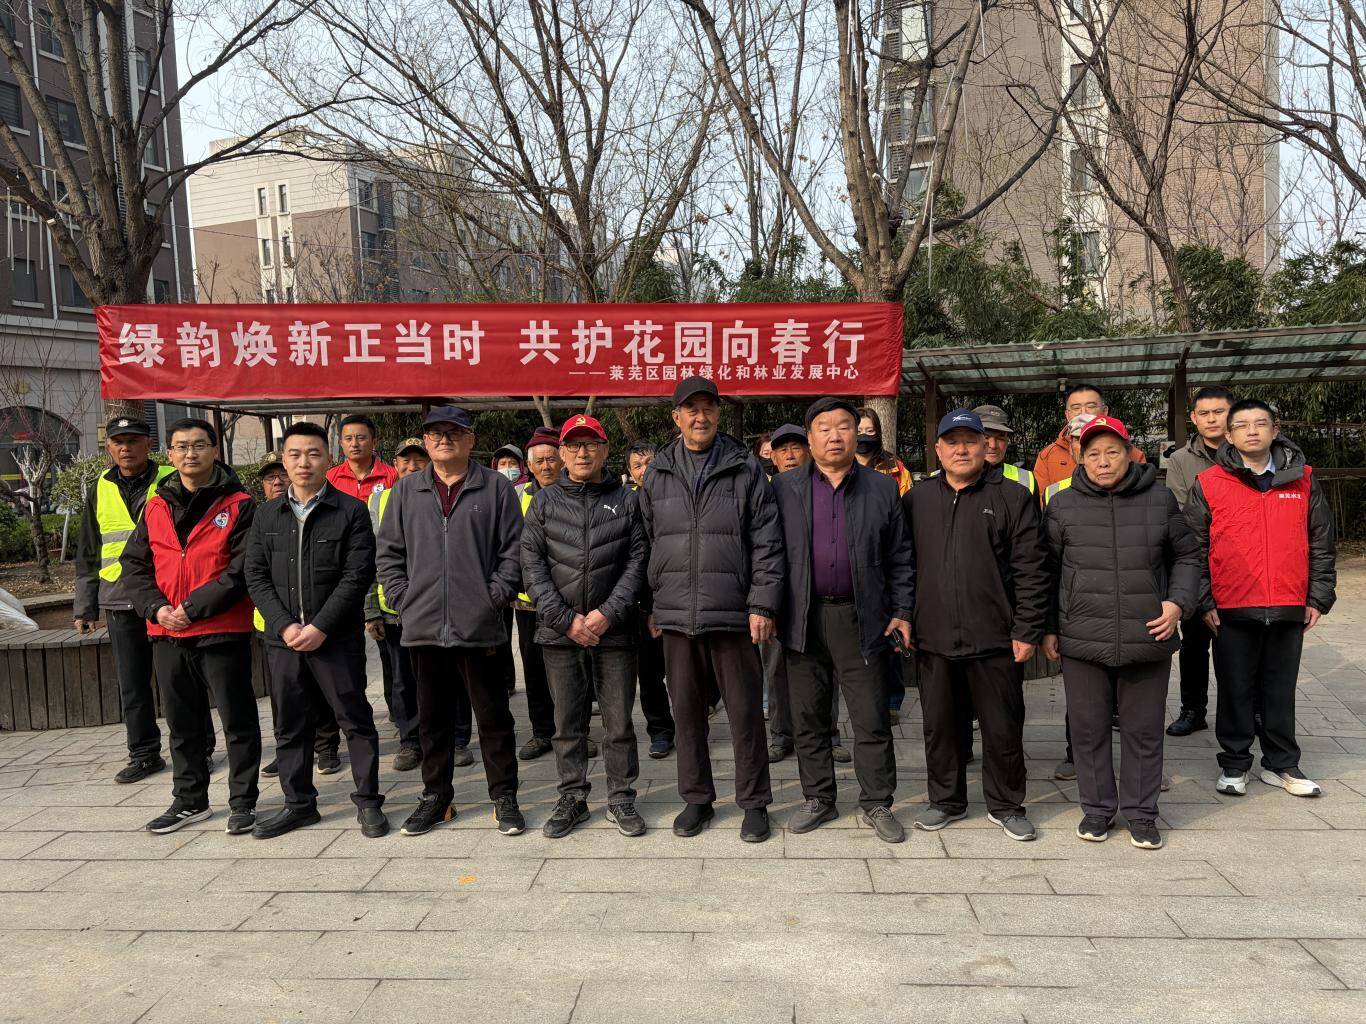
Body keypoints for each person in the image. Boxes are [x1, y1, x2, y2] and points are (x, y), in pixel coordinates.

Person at [1043, 415, 1201, 850]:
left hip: (1147, 634)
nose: (1103, 461)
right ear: (1080, 458)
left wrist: (1178, 602)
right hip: (1082, 636)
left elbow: (1188, 556)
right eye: (1093, 453)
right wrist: (1049, 628)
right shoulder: (1062, 505)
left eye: (1112, 452)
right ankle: (1097, 809)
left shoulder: (1160, 499)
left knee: (1143, 730)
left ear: (1130, 453)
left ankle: (1142, 813)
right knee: (1088, 730)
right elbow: (1048, 571)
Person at [638, 376, 784, 842]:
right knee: (686, 713)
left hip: (734, 613)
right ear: (676, 417)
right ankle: (696, 798)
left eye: (708, 408)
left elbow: (767, 542)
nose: (700, 417)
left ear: (718, 414)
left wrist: (762, 603)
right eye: (691, 409)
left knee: (744, 714)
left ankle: (754, 802)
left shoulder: (744, 468)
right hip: (676, 614)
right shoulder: (658, 472)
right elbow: (647, 542)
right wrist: (652, 602)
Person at [375, 406, 526, 836]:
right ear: (425, 442)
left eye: (454, 432)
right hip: (422, 626)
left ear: (470, 439)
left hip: (480, 625)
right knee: (432, 718)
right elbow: (389, 554)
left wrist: (491, 598)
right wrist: (405, 601)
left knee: (493, 716)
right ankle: (437, 797)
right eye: (436, 433)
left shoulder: (495, 487)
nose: (444, 439)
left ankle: (504, 796)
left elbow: (513, 552)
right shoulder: (406, 491)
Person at [774, 398, 915, 843]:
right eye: (824, 427)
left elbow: (901, 556)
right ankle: (819, 796)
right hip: (802, 616)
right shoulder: (784, 488)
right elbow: (767, 553)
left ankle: (877, 801)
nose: (834, 435)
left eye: (843, 426)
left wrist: (902, 611)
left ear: (858, 434)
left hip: (863, 617)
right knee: (809, 716)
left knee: (870, 715)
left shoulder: (882, 488)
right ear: (809, 438)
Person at [906, 409, 1049, 842]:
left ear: (985, 446)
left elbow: (1032, 569)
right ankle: (945, 801)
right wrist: (904, 617)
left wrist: (1027, 629)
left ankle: (1006, 805)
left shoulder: (1012, 497)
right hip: (933, 637)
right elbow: (902, 566)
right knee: (940, 727)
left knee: (1002, 727)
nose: (962, 450)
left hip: (996, 639)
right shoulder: (917, 499)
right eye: (952, 442)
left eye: (970, 441)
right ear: (938, 449)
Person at [1186, 400, 1336, 799]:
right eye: (1242, 425)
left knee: (1280, 689)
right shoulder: (1209, 483)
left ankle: (1281, 763)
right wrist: (1204, 601)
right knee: (1235, 688)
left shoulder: (1304, 479)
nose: (1252, 431)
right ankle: (1234, 764)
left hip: (1288, 602)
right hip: (1231, 606)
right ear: (1229, 435)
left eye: (1260, 423)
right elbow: (1192, 549)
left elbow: (1322, 542)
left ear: (1275, 430)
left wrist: (1318, 596)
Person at [245, 422, 387, 839]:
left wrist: (321, 626)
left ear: (329, 459)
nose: (303, 462)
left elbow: (357, 574)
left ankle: (368, 800)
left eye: (313, 453)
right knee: (290, 724)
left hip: (336, 640)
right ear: (284, 460)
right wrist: (285, 625)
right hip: (284, 641)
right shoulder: (266, 514)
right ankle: (299, 804)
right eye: (294, 454)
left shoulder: (350, 511)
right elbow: (256, 575)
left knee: (354, 719)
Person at [120, 418, 261, 835]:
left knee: (237, 721)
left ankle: (243, 802)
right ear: (170, 454)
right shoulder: (156, 505)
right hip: (167, 632)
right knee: (182, 725)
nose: (190, 453)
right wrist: (156, 609)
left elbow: (242, 570)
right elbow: (134, 565)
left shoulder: (239, 504)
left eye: (199, 445)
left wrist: (193, 607)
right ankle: (189, 801)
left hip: (221, 630)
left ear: (215, 450)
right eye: (181, 446)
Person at [521, 414, 649, 838]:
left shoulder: (627, 500)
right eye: (573, 445)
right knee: (567, 725)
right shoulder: (544, 502)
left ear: (605, 450)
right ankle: (572, 796)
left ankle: (621, 797)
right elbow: (531, 566)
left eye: (590, 444)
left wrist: (607, 613)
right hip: (560, 634)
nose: (582, 452)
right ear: (561, 453)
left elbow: (638, 562)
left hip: (615, 631)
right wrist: (566, 620)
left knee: (619, 723)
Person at [74, 415, 212, 784]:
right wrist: (85, 605)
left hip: (169, 596)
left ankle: (200, 747)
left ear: (148, 444)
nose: (126, 448)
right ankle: (144, 754)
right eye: (118, 442)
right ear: (108, 447)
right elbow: (88, 550)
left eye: (133, 440)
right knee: (132, 683)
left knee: (184, 679)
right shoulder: (100, 487)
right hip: (120, 598)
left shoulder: (172, 476)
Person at [365, 439, 473, 773]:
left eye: (418, 460)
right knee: (403, 681)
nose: (412, 467)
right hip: (398, 611)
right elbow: (372, 557)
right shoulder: (381, 499)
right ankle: (410, 741)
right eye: (405, 461)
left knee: (454, 677)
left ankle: (457, 739)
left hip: (446, 610)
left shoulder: (445, 494)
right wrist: (374, 609)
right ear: (394, 464)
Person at [762, 423, 846, 765]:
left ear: (809, 450)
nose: (790, 455)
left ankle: (829, 734)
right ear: (773, 457)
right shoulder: (767, 492)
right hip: (779, 597)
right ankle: (781, 735)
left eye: (796, 447)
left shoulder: (824, 488)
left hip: (822, 598)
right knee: (776, 669)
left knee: (827, 669)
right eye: (782, 450)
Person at [323, 414, 396, 774]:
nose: (355, 443)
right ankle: (332, 739)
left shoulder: (392, 477)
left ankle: (401, 723)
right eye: (348, 438)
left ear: (374, 440)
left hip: (382, 578)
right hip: (338, 583)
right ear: (340, 443)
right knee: (342, 668)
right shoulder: (329, 479)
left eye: (361, 437)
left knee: (390, 659)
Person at [1162, 385, 1234, 738]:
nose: (1211, 419)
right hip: (1197, 563)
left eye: (1219, 412)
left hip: (1240, 567)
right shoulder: (1180, 460)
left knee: (1237, 645)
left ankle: (1244, 711)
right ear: (1192, 417)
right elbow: (1182, 513)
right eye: (1204, 413)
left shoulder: (1247, 452)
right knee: (1193, 643)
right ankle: (1193, 710)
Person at [513, 426, 569, 760]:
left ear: (562, 460)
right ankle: (542, 732)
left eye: (551, 459)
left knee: (571, 672)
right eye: (539, 461)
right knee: (534, 670)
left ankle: (573, 731)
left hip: (569, 600)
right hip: (529, 603)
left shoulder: (575, 491)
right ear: (530, 466)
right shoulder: (517, 496)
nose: (546, 466)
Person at [625, 440, 675, 758]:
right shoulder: (628, 504)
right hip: (643, 602)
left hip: (678, 598)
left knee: (686, 673)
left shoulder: (676, 497)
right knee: (650, 673)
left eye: (650, 462)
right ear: (630, 473)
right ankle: (660, 731)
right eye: (638, 465)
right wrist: (647, 606)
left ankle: (695, 723)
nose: (645, 470)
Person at [1034, 384, 1146, 494]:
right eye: (1076, 408)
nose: (1083, 413)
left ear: (1105, 411)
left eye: (1091, 406)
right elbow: (1041, 500)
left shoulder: (1131, 453)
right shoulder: (1048, 456)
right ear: (1067, 415)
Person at [974, 404, 1036, 493]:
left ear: (1007, 441)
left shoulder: (1026, 479)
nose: (993, 445)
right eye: (986, 437)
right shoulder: (956, 478)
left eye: (1000, 438)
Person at [855, 406, 912, 495]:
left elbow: (907, 499)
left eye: (870, 431)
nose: (864, 436)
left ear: (878, 433)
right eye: (858, 432)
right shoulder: (840, 466)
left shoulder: (895, 468)